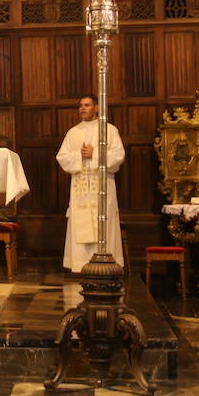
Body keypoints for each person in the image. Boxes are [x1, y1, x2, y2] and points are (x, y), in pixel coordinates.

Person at [56, 94, 125, 271]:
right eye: (80, 105)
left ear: (96, 107)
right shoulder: (73, 132)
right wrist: (80, 155)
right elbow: (62, 157)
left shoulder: (109, 130)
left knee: (103, 223)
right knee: (81, 224)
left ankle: (106, 265)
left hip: (102, 188)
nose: (82, 109)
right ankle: (81, 265)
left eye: (86, 105)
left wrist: (95, 154)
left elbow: (119, 156)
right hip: (80, 190)